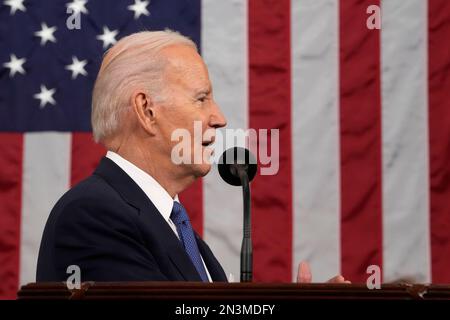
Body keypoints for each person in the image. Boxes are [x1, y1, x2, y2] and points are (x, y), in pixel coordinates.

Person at [36, 30, 349, 284]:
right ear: (147, 110)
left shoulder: (170, 223)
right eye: (202, 98)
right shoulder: (92, 216)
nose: (220, 118)